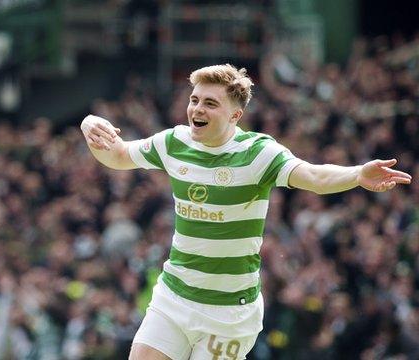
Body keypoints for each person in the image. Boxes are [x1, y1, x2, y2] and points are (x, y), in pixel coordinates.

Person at [80, 64, 413, 360]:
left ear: (235, 116)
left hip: (228, 314)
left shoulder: (258, 153)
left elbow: (313, 176)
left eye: (210, 103)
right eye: (195, 100)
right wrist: (89, 124)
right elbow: (119, 155)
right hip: (175, 296)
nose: (197, 108)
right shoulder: (174, 142)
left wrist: (356, 174)